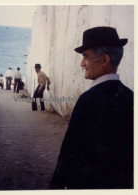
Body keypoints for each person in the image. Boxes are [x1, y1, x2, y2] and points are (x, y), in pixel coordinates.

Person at [50, 27, 133, 189]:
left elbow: (70, 154)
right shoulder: (131, 97)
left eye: (85, 57)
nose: (82, 64)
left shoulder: (88, 100)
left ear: (104, 60)